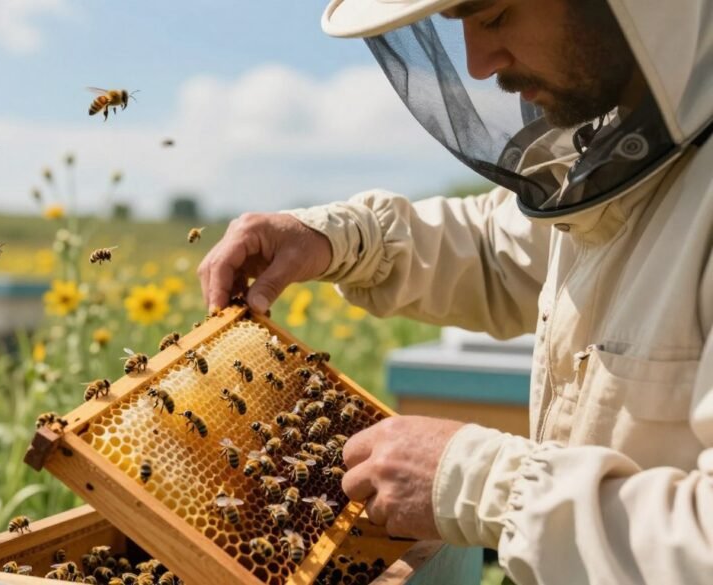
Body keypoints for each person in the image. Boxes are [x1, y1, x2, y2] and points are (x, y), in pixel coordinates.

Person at [197, 0, 713, 583]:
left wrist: (481, 484)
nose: (477, 65)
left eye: (492, 16)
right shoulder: (631, 156)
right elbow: (505, 248)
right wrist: (335, 237)